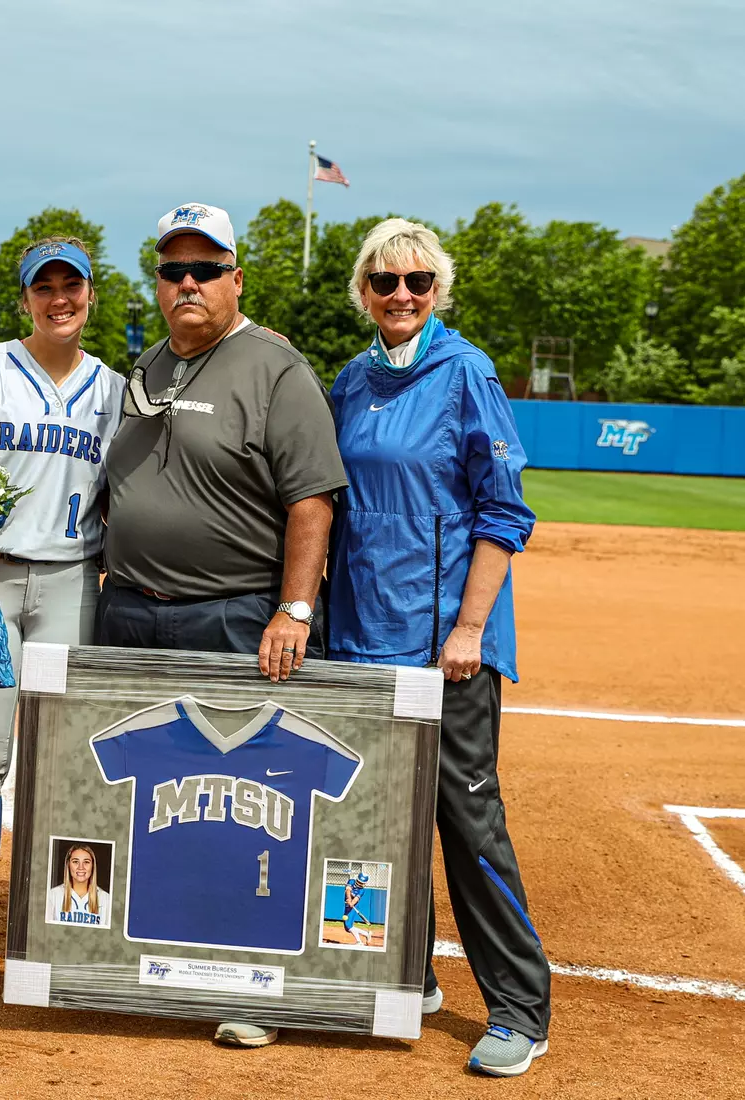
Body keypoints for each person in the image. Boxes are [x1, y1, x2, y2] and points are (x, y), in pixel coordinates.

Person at [98, 203, 347, 1048]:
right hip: (129, 611)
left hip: (233, 614)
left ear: (237, 278)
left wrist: (294, 607)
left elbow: (310, 501)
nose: (189, 283)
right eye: (174, 271)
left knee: (244, 805)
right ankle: (149, 965)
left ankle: (254, 985)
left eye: (207, 269)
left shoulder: (277, 369)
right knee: (152, 799)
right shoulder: (147, 363)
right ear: (158, 283)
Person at [328, 218, 550, 1077]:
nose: (401, 296)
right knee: (379, 818)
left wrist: (468, 628)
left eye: (418, 282)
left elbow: (504, 512)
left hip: (446, 643)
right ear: (363, 292)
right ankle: (403, 974)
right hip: (364, 635)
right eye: (384, 282)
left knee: (465, 819)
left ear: (437, 292)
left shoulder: (467, 373)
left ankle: (520, 1009)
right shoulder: (350, 380)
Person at [0, 238, 124, 1000]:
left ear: (89, 295)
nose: (58, 299)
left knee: (69, 772)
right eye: (42, 288)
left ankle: (61, 928)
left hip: (75, 581)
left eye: (70, 286)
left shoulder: (115, 388)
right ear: (24, 301)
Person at [45, 843, 109, 926]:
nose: (81, 867)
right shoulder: (52, 895)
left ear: (93, 865)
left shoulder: (106, 899)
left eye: (86, 862)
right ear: (68, 865)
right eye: (75, 862)